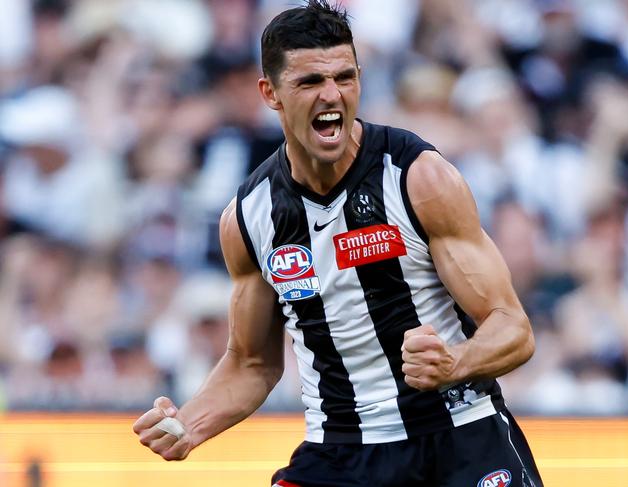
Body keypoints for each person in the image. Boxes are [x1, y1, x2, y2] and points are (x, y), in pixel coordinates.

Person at [133, 1, 544, 485]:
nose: (332, 96)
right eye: (310, 82)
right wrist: (189, 424)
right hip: (341, 451)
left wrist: (456, 362)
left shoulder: (418, 177)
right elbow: (251, 363)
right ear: (271, 93)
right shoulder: (249, 217)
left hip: (457, 436)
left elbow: (513, 327)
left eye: (345, 78)